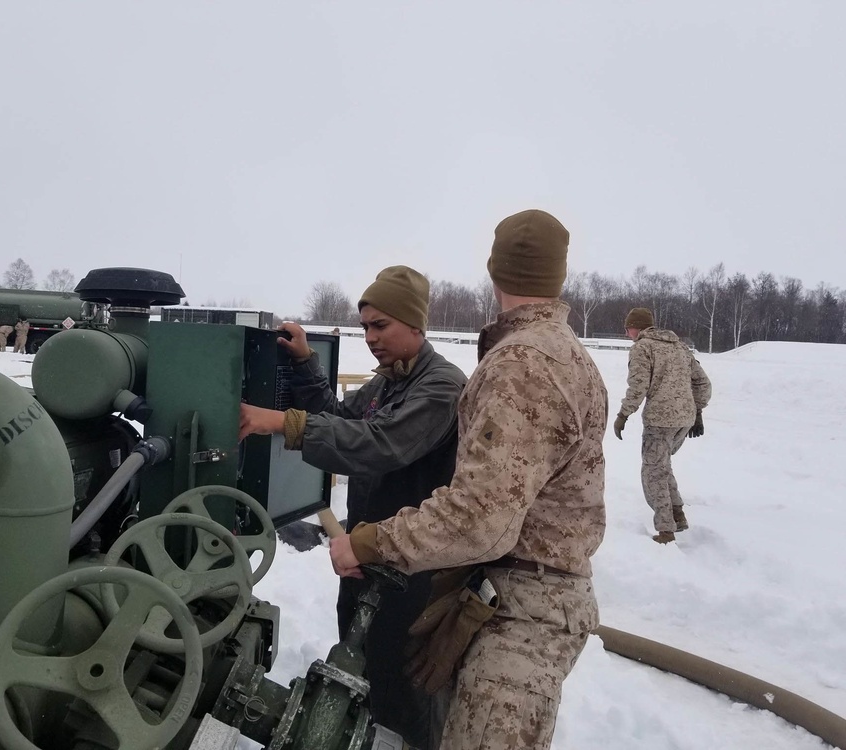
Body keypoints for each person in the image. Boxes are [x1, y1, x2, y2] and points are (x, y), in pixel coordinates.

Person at [329, 210, 607, 750]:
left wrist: (371, 541)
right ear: (559, 275)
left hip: (523, 611)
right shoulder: (567, 353)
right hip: (517, 596)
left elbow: (480, 518)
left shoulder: (522, 363)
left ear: (495, 272)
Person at [239, 265, 467, 749]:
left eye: (380, 325)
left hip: (413, 571)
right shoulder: (388, 383)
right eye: (364, 326)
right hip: (367, 555)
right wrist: (303, 364)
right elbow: (340, 418)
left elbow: (379, 444)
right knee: (362, 670)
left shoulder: (441, 387)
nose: (370, 337)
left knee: (401, 691)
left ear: (416, 325)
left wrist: (279, 423)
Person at [613, 308, 712, 544]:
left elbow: (638, 387)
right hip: (684, 420)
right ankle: (678, 515)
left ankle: (666, 531)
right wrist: (697, 411)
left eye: (628, 329)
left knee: (652, 472)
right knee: (662, 465)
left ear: (636, 327)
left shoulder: (642, 347)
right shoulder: (679, 347)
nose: (627, 334)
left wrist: (623, 414)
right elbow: (703, 383)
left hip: (660, 420)